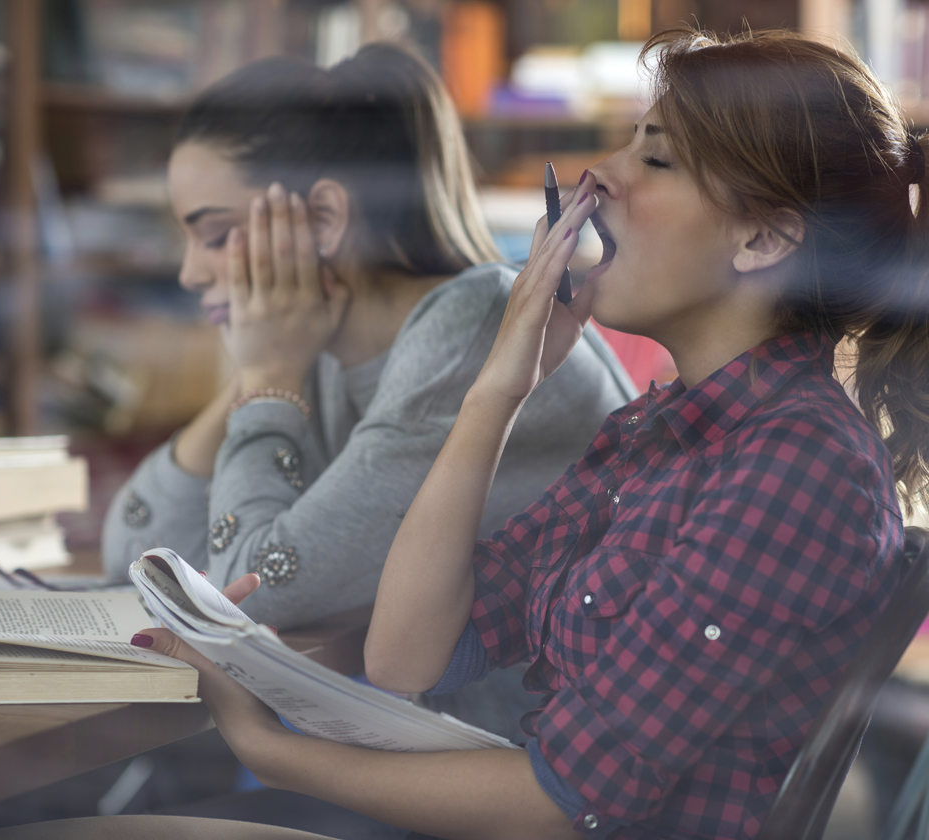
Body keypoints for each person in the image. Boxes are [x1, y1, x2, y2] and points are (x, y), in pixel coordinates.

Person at [0, 26, 929, 840]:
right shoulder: (663, 431)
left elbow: (561, 804)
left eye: (654, 159)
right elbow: (409, 654)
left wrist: (272, 751)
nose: (599, 175)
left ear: (764, 240)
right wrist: (496, 390)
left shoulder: (790, 467)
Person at [100, 42, 636, 737]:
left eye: (216, 235)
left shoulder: (467, 329)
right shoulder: (320, 352)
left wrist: (266, 381)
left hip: (552, 774)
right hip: (462, 757)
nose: (190, 274)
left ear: (324, 219)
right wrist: (260, 373)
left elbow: (251, 593)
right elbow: (131, 555)